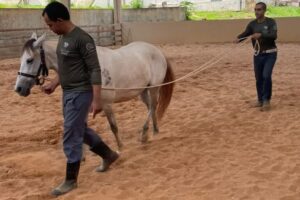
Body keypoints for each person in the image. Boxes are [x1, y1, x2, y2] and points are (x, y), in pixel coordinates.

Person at [41, 1, 119, 196]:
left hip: (81, 93)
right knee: (79, 129)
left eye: (50, 25)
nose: (50, 29)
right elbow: (66, 67)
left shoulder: (82, 39)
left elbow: (94, 68)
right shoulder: (63, 37)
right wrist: (55, 83)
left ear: (60, 20)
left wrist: (97, 99)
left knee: (71, 134)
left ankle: (70, 180)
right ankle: (108, 155)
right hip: (67, 92)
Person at [236, 2, 277, 111]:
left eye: (259, 10)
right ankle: (260, 100)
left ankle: (266, 100)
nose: (256, 12)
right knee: (258, 78)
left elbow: (274, 35)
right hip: (258, 54)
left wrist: (261, 35)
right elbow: (246, 33)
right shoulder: (252, 24)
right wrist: (238, 38)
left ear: (264, 10)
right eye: (255, 10)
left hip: (270, 53)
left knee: (266, 76)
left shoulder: (271, 22)